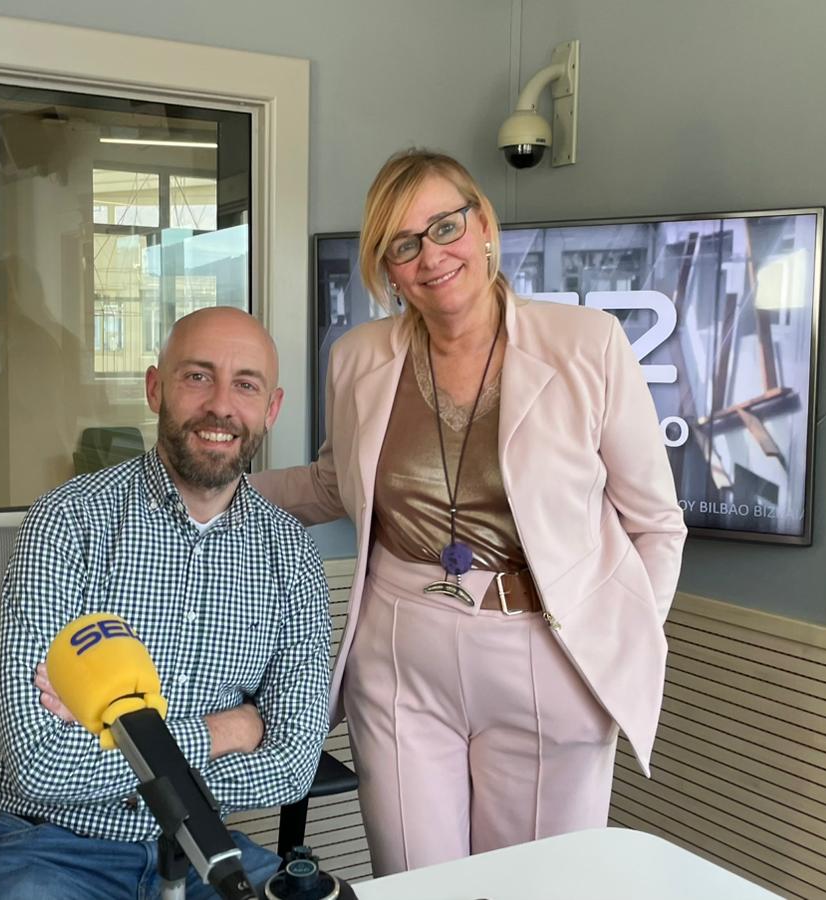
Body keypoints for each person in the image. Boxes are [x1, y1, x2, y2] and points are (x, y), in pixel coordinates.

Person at [250, 149, 687, 875]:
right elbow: (334, 483)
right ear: (388, 269)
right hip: (401, 650)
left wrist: (617, 641)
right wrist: (211, 490)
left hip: (547, 651)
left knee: (539, 888)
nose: (431, 256)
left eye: (445, 227)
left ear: (483, 224)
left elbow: (656, 523)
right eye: (403, 244)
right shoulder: (357, 358)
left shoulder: (588, 344)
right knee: (415, 882)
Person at [0, 306, 333, 900]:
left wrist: (113, 742)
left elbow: (291, 765)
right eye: (197, 376)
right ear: (156, 388)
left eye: (246, 385)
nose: (221, 405)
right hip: (48, 847)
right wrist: (227, 729)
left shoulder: (292, 556)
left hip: (202, 849)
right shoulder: (67, 523)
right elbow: (40, 762)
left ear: (271, 409)